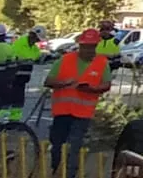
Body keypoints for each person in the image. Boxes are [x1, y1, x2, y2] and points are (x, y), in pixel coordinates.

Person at [45, 29, 113, 178]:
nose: (87, 50)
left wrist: (92, 89)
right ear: (80, 45)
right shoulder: (65, 59)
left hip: (83, 113)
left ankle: (69, 174)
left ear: (95, 46)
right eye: (85, 46)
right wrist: (64, 83)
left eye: (91, 47)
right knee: (57, 145)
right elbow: (48, 81)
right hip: (62, 112)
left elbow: (106, 84)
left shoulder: (102, 62)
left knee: (74, 146)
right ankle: (57, 170)